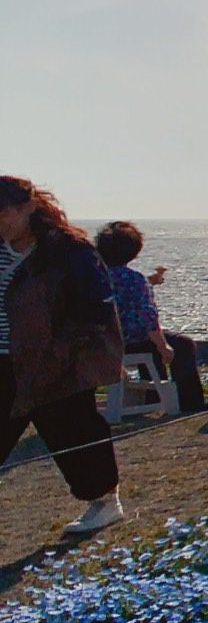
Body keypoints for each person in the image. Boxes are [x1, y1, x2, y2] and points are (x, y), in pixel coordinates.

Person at [0, 176, 127, 535]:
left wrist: (61, 352)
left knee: (73, 431)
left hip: (58, 359)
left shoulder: (69, 250)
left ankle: (104, 502)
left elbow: (94, 310)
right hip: (4, 358)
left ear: (28, 207)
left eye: (3, 212)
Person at [95, 221, 208, 414]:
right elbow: (148, 318)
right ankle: (190, 403)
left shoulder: (96, 276)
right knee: (182, 345)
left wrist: (148, 283)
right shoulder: (134, 279)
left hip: (103, 342)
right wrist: (163, 346)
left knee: (151, 347)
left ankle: (153, 396)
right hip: (132, 341)